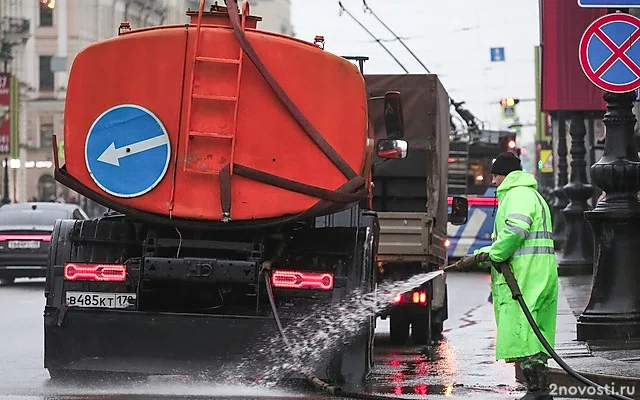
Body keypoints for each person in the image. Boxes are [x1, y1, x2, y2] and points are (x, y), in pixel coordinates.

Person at [464, 151, 558, 400]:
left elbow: (515, 231)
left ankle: (538, 391)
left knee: (524, 329)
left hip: (526, 275)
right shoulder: (531, 195)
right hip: (538, 272)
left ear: (503, 175)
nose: (493, 182)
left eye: (494, 176)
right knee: (534, 332)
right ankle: (539, 390)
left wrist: (495, 255)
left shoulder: (517, 195)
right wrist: (485, 253)